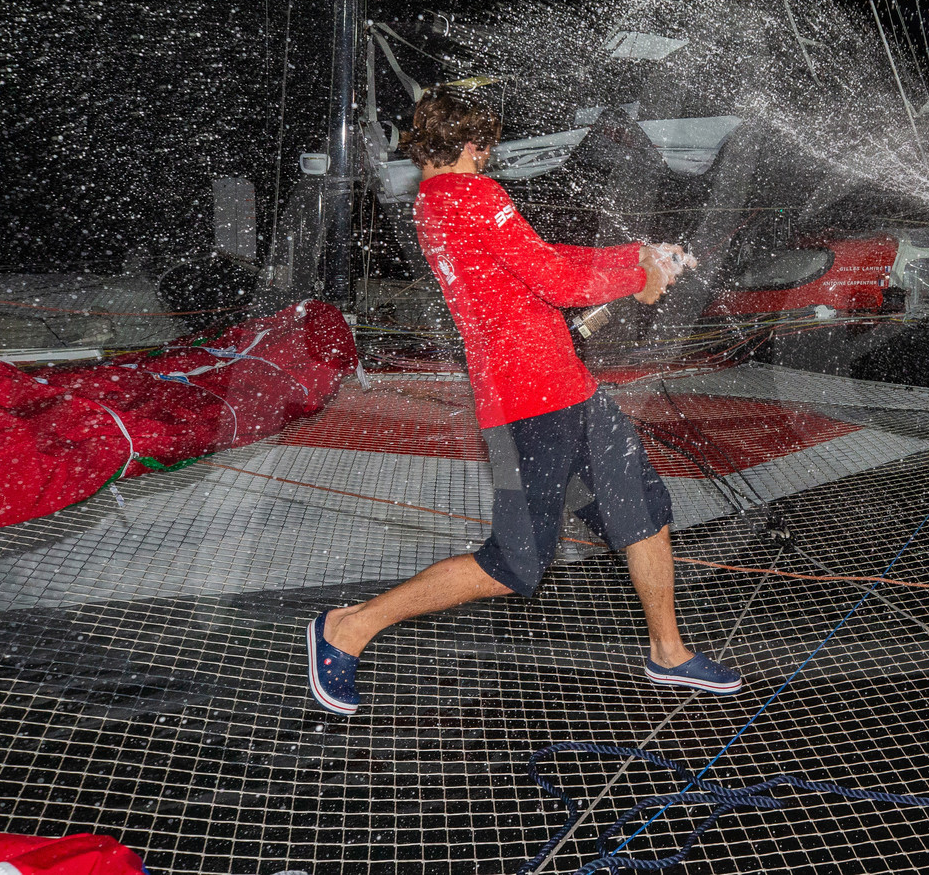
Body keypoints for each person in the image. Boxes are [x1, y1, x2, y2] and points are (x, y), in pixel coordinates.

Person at [306, 89, 741, 714]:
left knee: (640, 510)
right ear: (469, 145)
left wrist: (636, 256)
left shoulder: (434, 201)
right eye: (485, 148)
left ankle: (668, 653)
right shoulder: (471, 194)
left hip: (571, 390)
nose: (489, 158)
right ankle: (348, 628)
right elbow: (557, 281)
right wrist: (638, 277)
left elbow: (540, 260)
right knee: (514, 563)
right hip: (526, 408)